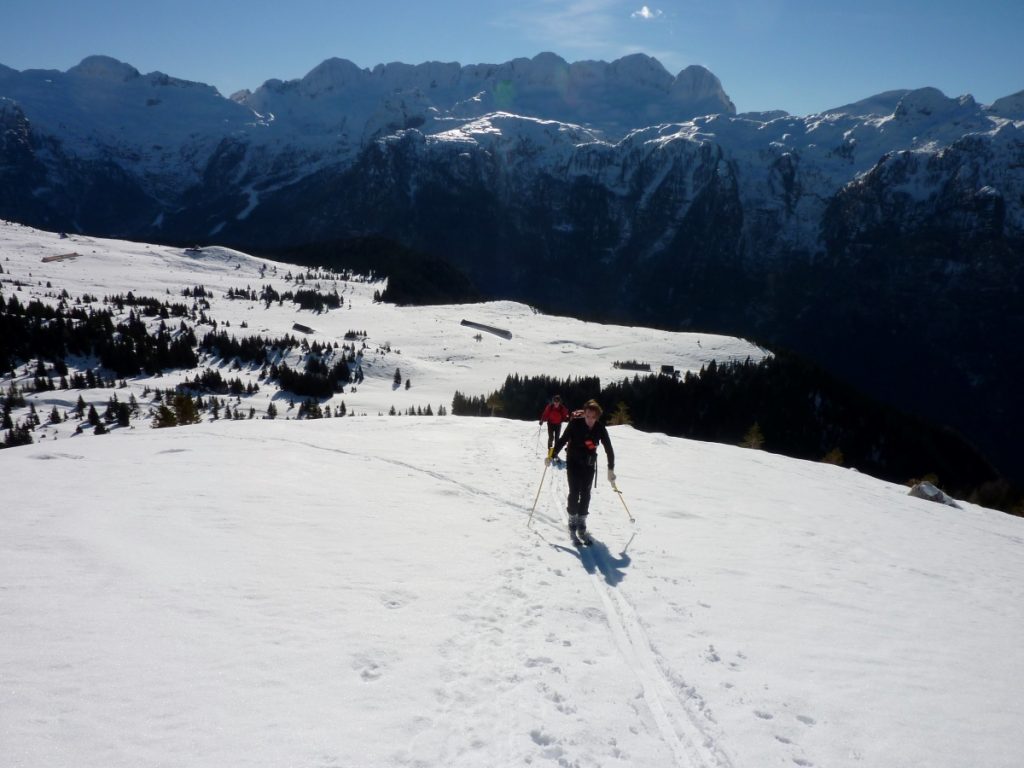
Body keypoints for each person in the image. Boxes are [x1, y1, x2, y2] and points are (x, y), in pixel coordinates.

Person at [547, 399, 616, 540]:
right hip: (573, 463)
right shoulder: (574, 424)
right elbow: (562, 440)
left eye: (594, 417)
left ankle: (582, 519)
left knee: (586, 493)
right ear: (584, 414)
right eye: (588, 416)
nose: (590, 420)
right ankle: (572, 517)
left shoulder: (600, 428)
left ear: (597, 417)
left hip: (589, 465)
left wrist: (610, 469)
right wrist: (551, 455)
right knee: (574, 492)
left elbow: (609, 449)